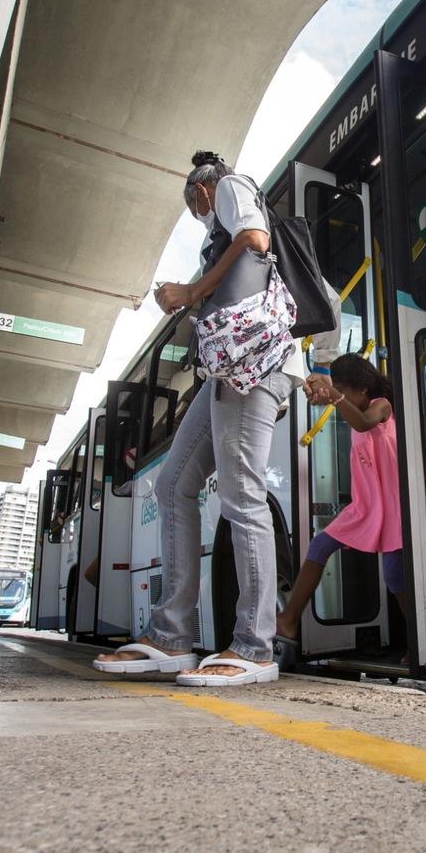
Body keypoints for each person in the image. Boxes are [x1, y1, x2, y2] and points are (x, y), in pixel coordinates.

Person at [93, 150, 303, 685]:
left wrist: (189, 292)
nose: (196, 216)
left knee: (241, 496)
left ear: (201, 192)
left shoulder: (230, 187)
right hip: (226, 373)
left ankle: (256, 648)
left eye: (193, 207)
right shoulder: (224, 218)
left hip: (253, 367)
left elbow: (255, 240)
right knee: (173, 486)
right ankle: (170, 636)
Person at [276, 354, 407, 654]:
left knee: (395, 576)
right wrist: (319, 391)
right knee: (320, 546)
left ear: (362, 389)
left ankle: (418, 641)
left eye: (344, 390)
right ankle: (288, 620)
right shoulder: (353, 405)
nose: (341, 397)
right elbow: (338, 408)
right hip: (367, 506)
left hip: (392, 506)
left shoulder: (382, 405)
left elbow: (363, 423)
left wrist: (333, 395)